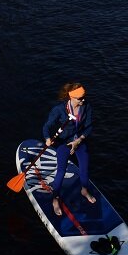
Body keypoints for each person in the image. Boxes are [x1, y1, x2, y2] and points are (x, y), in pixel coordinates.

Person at [43, 83, 94, 216]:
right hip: (63, 143)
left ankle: (84, 190)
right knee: (61, 171)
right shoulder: (59, 110)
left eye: (84, 97)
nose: (83, 100)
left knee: (84, 169)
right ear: (72, 97)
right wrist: (48, 139)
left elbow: (89, 127)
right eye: (80, 98)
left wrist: (78, 141)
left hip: (79, 141)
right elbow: (47, 127)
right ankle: (55, 199)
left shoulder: (86, 106)